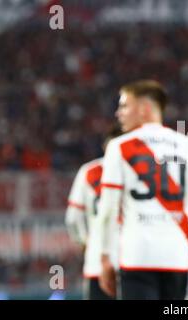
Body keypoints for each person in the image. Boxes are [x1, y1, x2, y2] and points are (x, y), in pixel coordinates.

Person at [93, 80, 188, 300]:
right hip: (178, 256)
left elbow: (107, 210)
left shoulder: (119, 147)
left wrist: (105, 258)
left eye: (125, 106)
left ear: (144, 108)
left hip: (137, 256)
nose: (119, 113)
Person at [65, 125, 123, 300]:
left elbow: (72, 218)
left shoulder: (88, 172)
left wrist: (85, 242)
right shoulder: (140, 171)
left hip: (97, 260)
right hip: (133, 261)